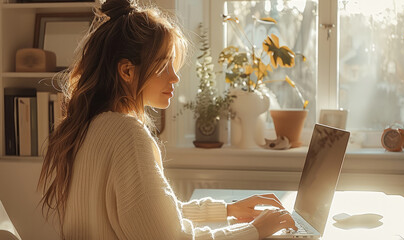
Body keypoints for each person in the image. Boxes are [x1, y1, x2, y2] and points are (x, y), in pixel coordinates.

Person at [38, 0, 297, 239]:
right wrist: (255, 231)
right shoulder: (126, 135)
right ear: (127, 70)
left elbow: (148, 215)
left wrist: (227, 210)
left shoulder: (89, 126)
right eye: (164, 66)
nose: (174, 77)